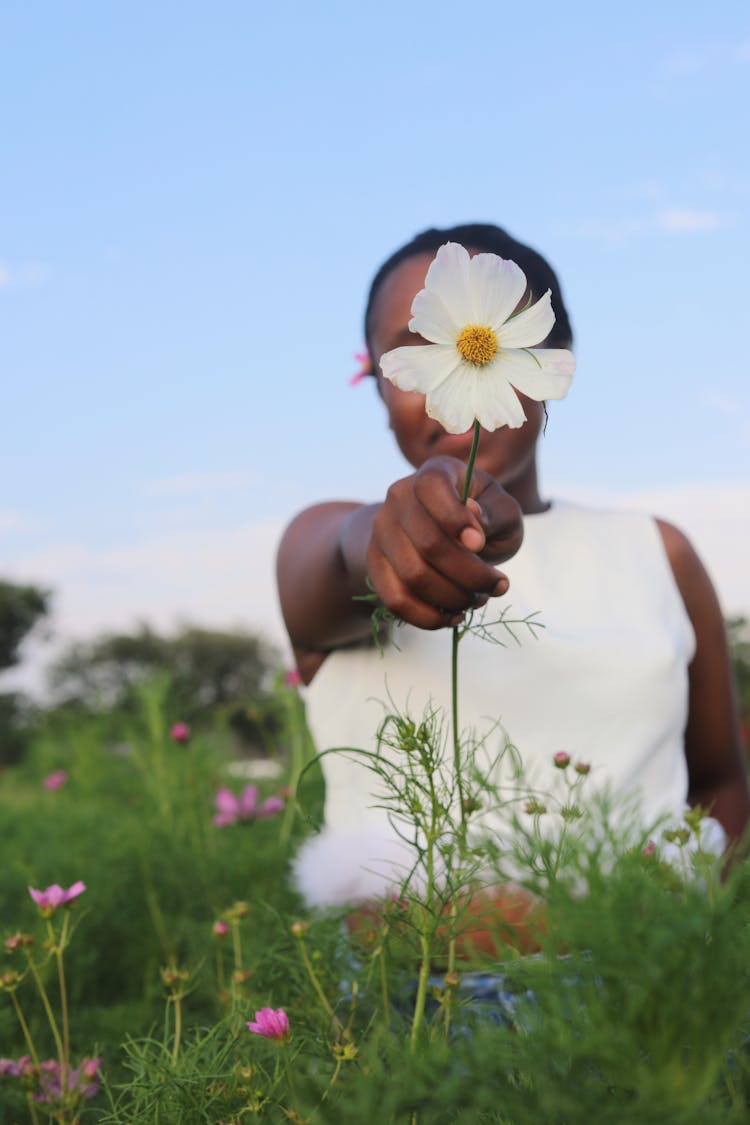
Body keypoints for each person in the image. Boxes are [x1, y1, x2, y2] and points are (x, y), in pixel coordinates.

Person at [277, 222, 750, 931]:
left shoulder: (658, 549)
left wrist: (692, 950)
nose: (444, 391)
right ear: (380, 386)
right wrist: (383, 535)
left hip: (648, 993)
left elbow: (717, 783)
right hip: (416, 1010)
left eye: (474, 343)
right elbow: (340, 558)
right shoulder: (337, 536)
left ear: (551, 360)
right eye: (411, 358)